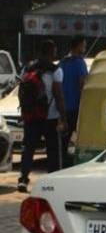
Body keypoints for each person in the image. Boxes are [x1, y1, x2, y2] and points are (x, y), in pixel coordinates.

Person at [17, 40, 67, 193]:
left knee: (29, 149)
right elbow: (58, 95)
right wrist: (63, 117)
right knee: (52, 150)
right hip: (50, 117)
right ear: (52, 52)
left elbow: (23, 91)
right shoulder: (56, 70)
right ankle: (52, 182)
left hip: (31, 116)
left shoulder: (28, 68)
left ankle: (23, 180)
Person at [59, 36, 88, 165]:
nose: (85, 48)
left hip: (62, 108)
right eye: (83, 45)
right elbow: (83, 84)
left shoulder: (63, 62)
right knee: (80, 138)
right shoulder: (80, 63)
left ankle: (62, 164)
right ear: (78, 46)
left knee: (63, 141)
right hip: (76, 108)